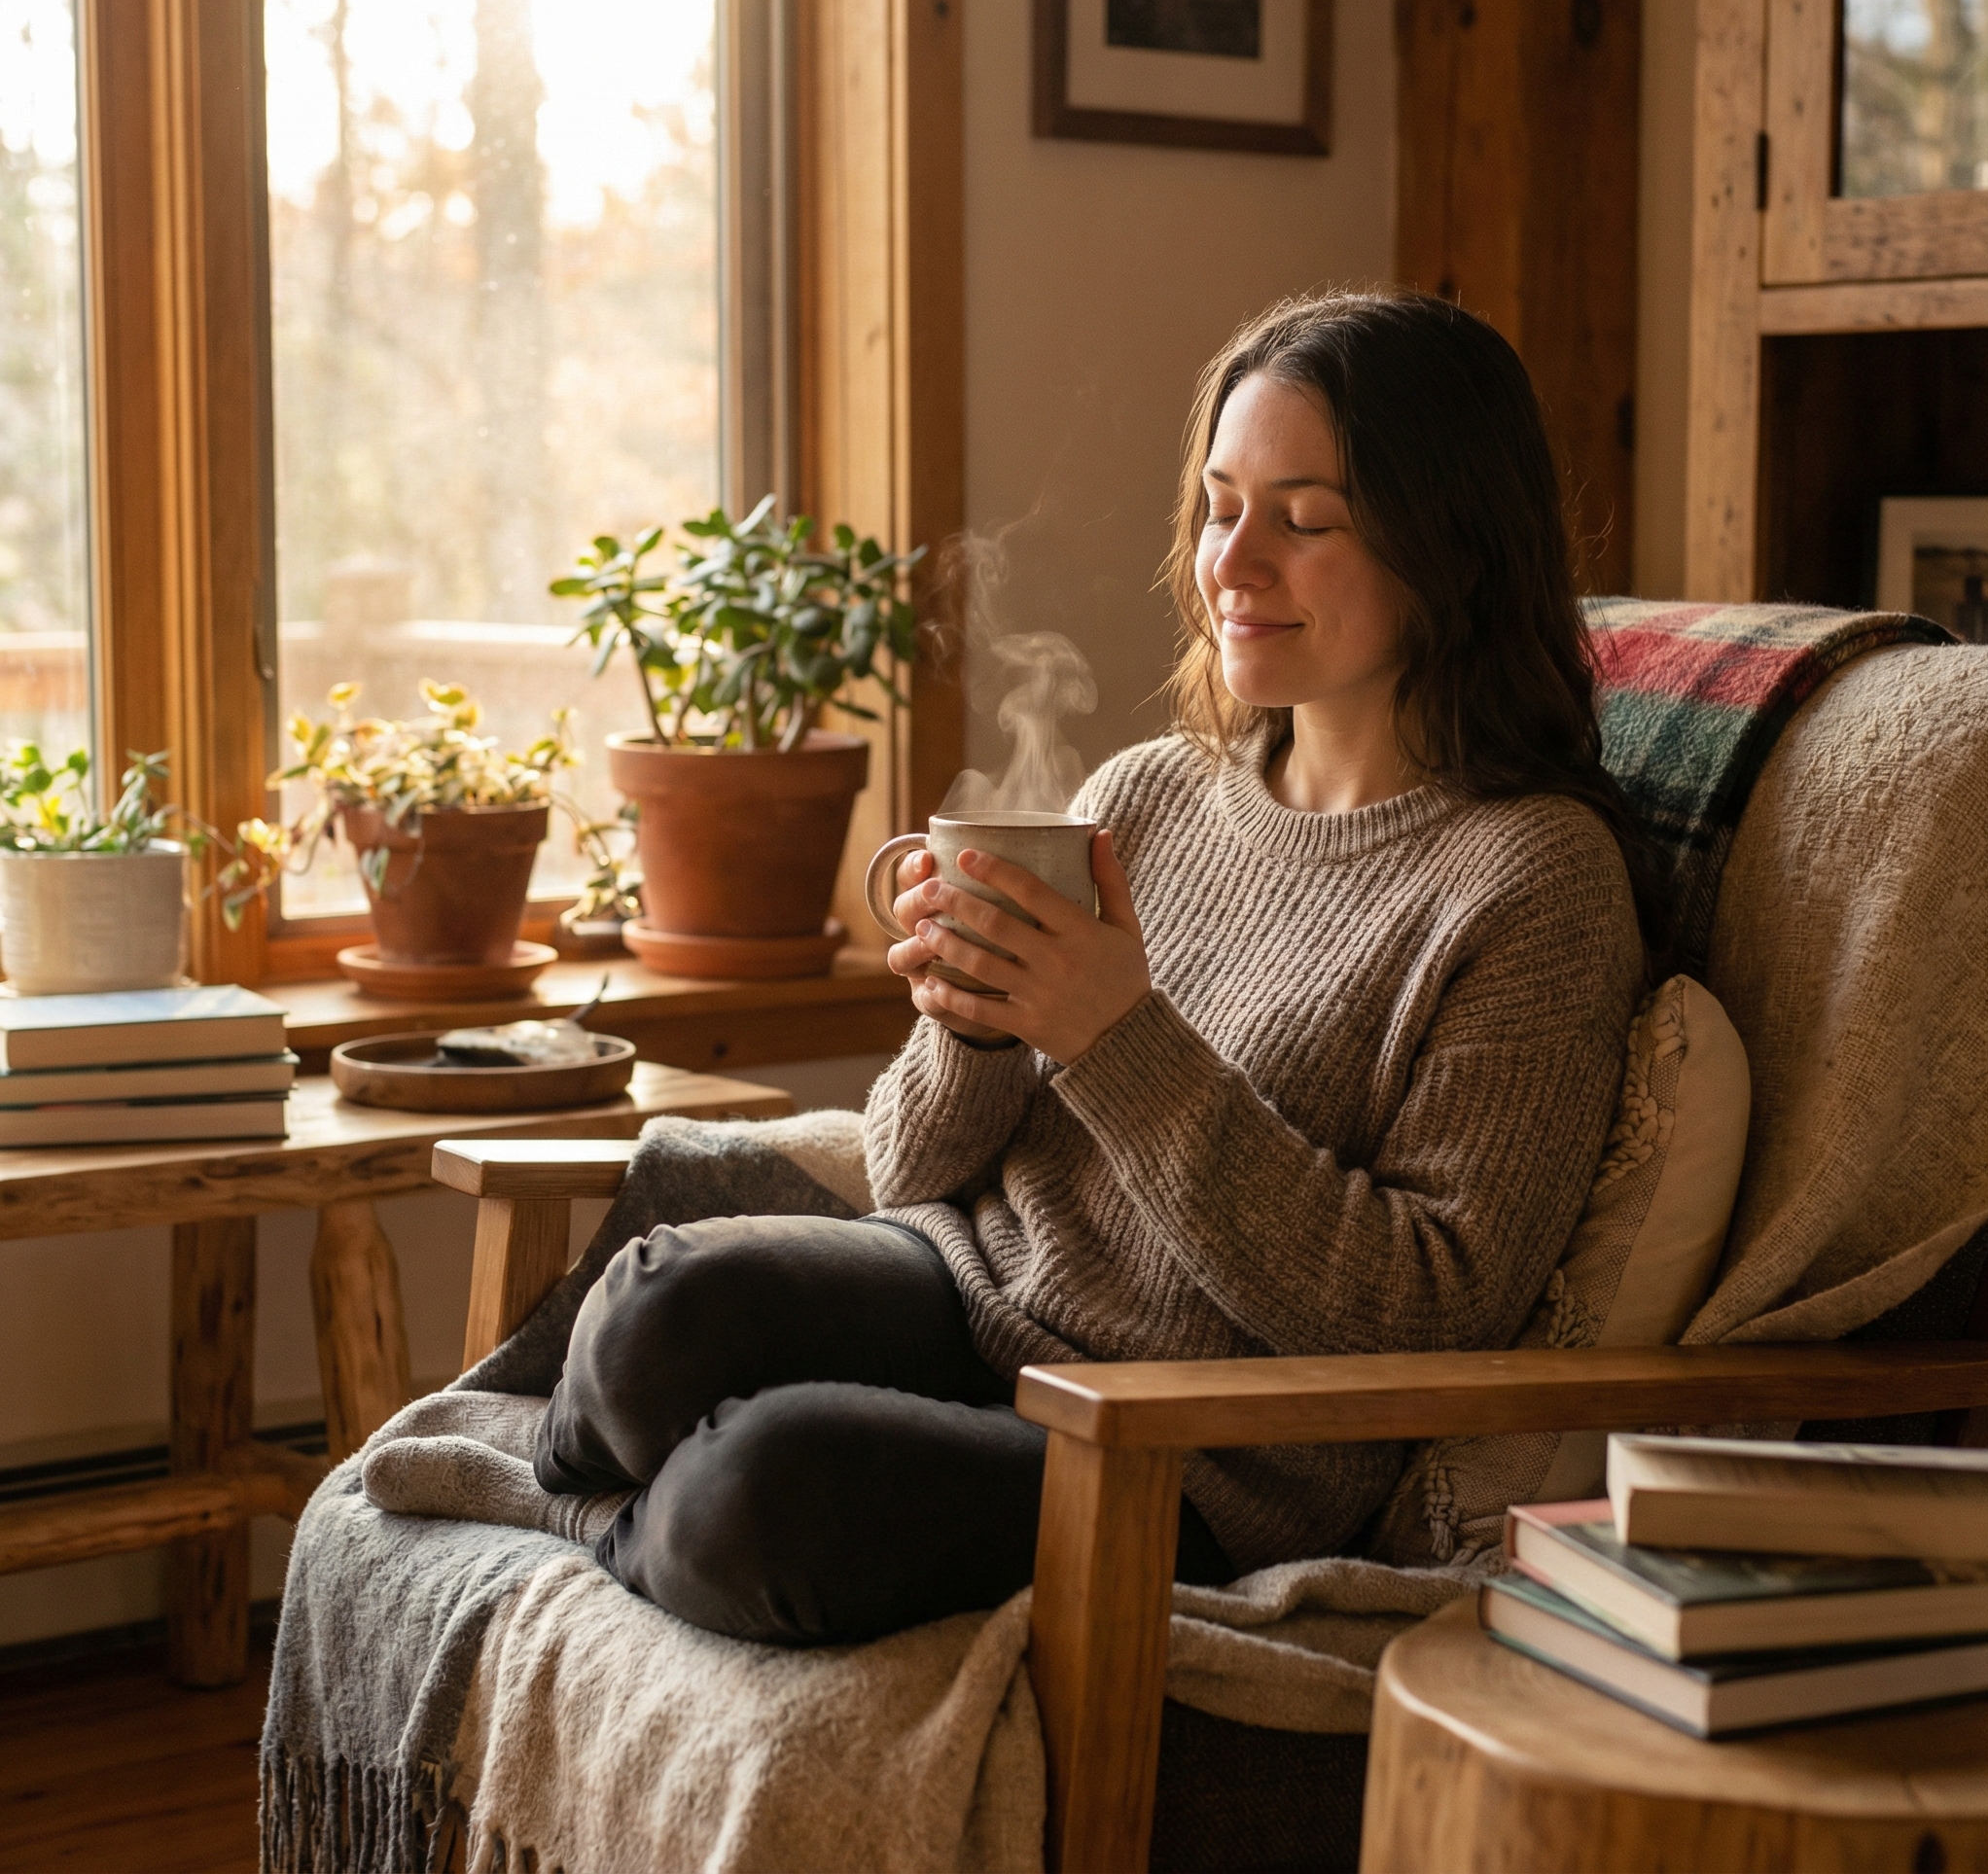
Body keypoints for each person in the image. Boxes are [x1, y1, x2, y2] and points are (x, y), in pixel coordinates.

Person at [533, 290, 1656, 1645]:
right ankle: (600, 1500)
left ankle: (599, 1525)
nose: (1231, 566)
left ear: (1453, 549)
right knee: (661, 1306)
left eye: (1302, 520)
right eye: (1218, 506)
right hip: (972, 1295)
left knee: (758, 1486)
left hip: (1186, 1449)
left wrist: (1116, 1039)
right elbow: (910, 1171)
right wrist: (979, 1023)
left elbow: (1431, 1311)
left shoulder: (1532, 881)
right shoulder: (1151, 796)